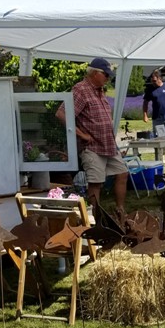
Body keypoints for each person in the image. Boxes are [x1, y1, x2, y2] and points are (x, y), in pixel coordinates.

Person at [55, 57, 128, 214]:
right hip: (92, 147)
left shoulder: (100, 91)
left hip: (108, 144)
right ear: (95, 73)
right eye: (106, 75)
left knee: (122, 173)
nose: (108, 78)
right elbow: (61, 114)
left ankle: (120, 210)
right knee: (96, 183)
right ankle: (95, 219)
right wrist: (81, 134)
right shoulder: (81, 89)